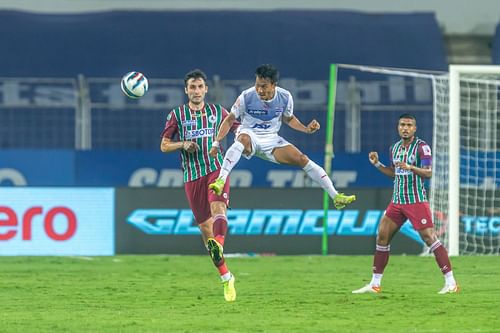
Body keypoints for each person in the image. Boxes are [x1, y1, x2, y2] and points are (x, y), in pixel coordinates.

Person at [208, 64, 356, 209]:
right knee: (243, 138)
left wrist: (306, 129)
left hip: (271, 139)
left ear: (274, 85)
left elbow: (288, 118)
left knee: (302, 159)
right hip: (249, 134)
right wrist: (216, 142)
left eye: (264, 86)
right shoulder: (246, 96)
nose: (259, 90)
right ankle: (220, 180)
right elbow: (230, 119)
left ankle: (335, 196)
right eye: (257, 85)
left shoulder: (285, 97)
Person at [352, 114, 459, 294]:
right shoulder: (394, 148)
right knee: (382, 237)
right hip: (397, 201)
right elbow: (394, 173)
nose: (405, 128)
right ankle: (375, 284)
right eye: (402, 125)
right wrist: (377, 164)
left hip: (416, 200)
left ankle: (451, 282)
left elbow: (428, 173)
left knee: (429, 238)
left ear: (414, 129)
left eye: (409, 125)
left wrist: (411, 167)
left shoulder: (422, 148)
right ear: (398, 127)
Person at [160, 69, 239, 302]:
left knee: (218, 211)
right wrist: (183, 144)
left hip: (216, 169)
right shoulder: (177, 114)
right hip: (192, 176)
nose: (196, 91)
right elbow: (164, 145)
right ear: (186, 90)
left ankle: (219, 242)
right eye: (192, 87)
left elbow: (238, 129)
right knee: (205, 229)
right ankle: (226, 277)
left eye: (200, 87)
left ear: (206, 89)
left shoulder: (218, 112)